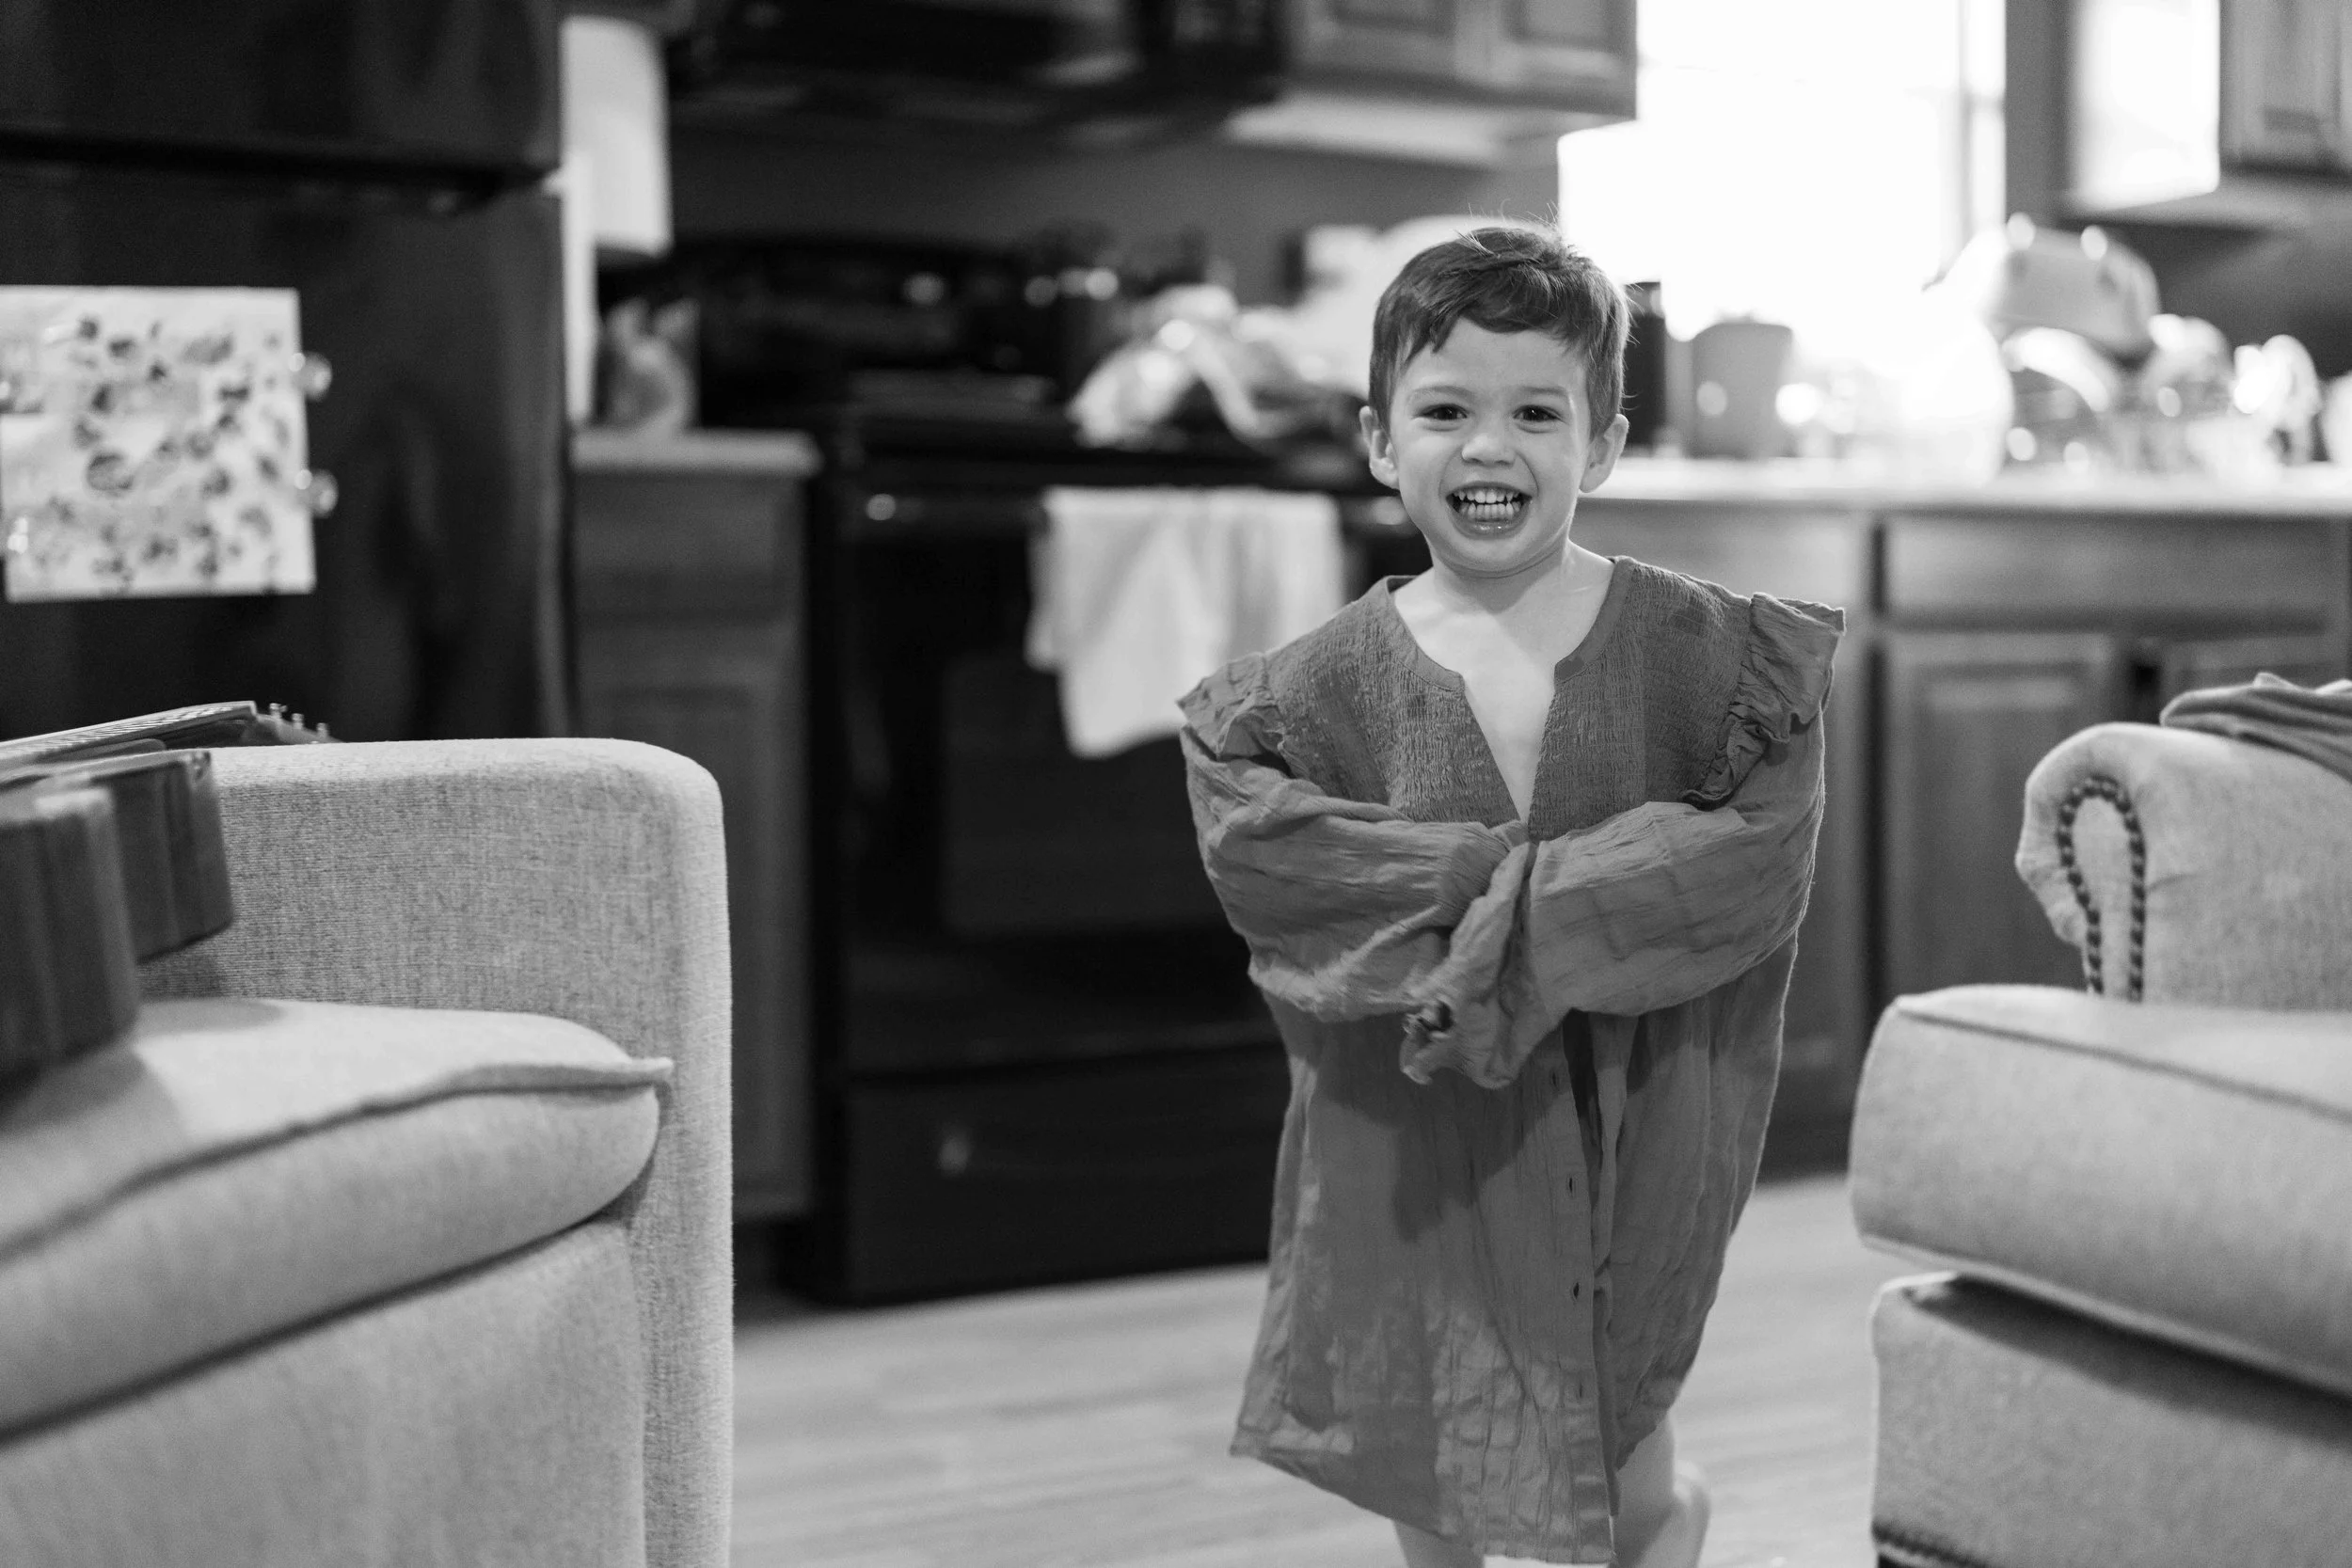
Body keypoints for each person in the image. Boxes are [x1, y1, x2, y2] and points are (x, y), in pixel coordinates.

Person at [1179, 226, 1844, 1566]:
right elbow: (1268, 852)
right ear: (1381, 441)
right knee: (1438, 1451)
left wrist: (1503, 915)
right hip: (1423, 1126)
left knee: (1624, 1436)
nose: (1491, 446)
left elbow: (1753, 854)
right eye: (1446, 412)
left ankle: (1669, 1526)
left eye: (1538, 412)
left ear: (1602, 446)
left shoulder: (1712, 654)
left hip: (1641, 1106)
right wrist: (1508, 893)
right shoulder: (1312, 687)